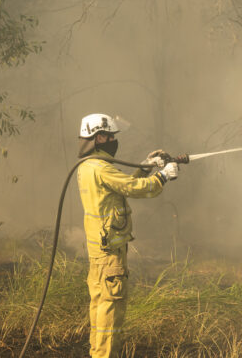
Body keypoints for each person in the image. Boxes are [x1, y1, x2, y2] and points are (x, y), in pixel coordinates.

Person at [76, 113, 178, 358]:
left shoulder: (89, 166)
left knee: (99, 308)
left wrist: (144, 167)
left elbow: (122, 186)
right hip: (110, 254)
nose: (113, 139)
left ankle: (97, 354)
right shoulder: (100, 168)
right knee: (110, 312)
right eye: (110, 135)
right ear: (98, 137)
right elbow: (134, 189)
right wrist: (162, 176)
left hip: (100, 253)